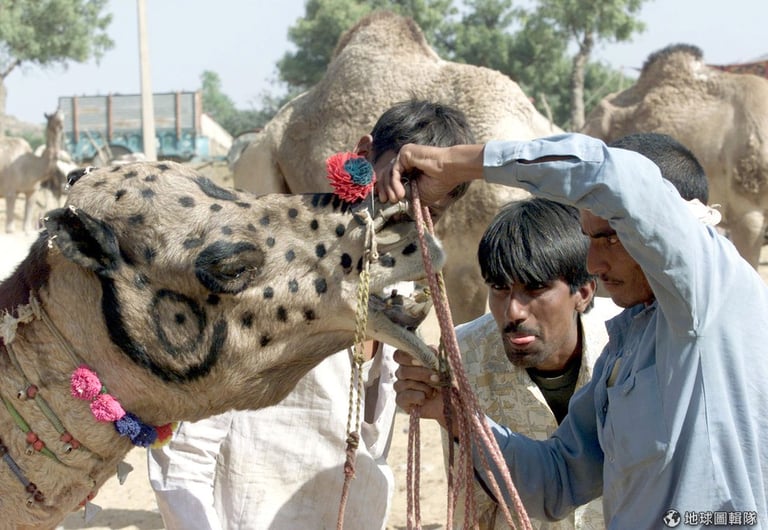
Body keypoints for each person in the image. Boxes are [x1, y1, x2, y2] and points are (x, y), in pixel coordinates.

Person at [383, 132, 768, 529]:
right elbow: (557, 479)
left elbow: (617, 177)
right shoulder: (625, 349)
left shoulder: (712, 294)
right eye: (589, 239)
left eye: (609, 238)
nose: (593, 264)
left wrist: (454, 164)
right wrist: (456, 415)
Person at [147, 99, 476, 530]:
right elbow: (185, 452)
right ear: (363, 156)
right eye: (395, 191)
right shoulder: (262, 270)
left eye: (429, 212)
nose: (406, 222)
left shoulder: (404, 295)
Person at [448, 197, 619, 530]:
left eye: (536, 287)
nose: (513, 312)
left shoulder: (626, 345)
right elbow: (471, 505)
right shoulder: (465, 356)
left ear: (584, 293)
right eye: (499, 288)